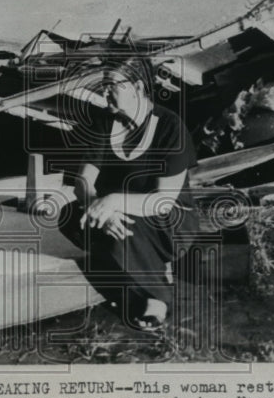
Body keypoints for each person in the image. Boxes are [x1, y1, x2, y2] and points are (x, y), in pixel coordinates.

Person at [58, 56, 199, 332]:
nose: (104, 92)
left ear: (137, 86)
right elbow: (83, 181)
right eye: (103, 86)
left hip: (166, 221)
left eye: (112, 86)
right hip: (115, 214)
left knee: (124, 229)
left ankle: (156, 299)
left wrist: (111, 202)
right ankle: (126, 259)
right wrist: (97, 207)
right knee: (67, 215)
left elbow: (162, 201)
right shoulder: (103, 123)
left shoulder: (170, 127)